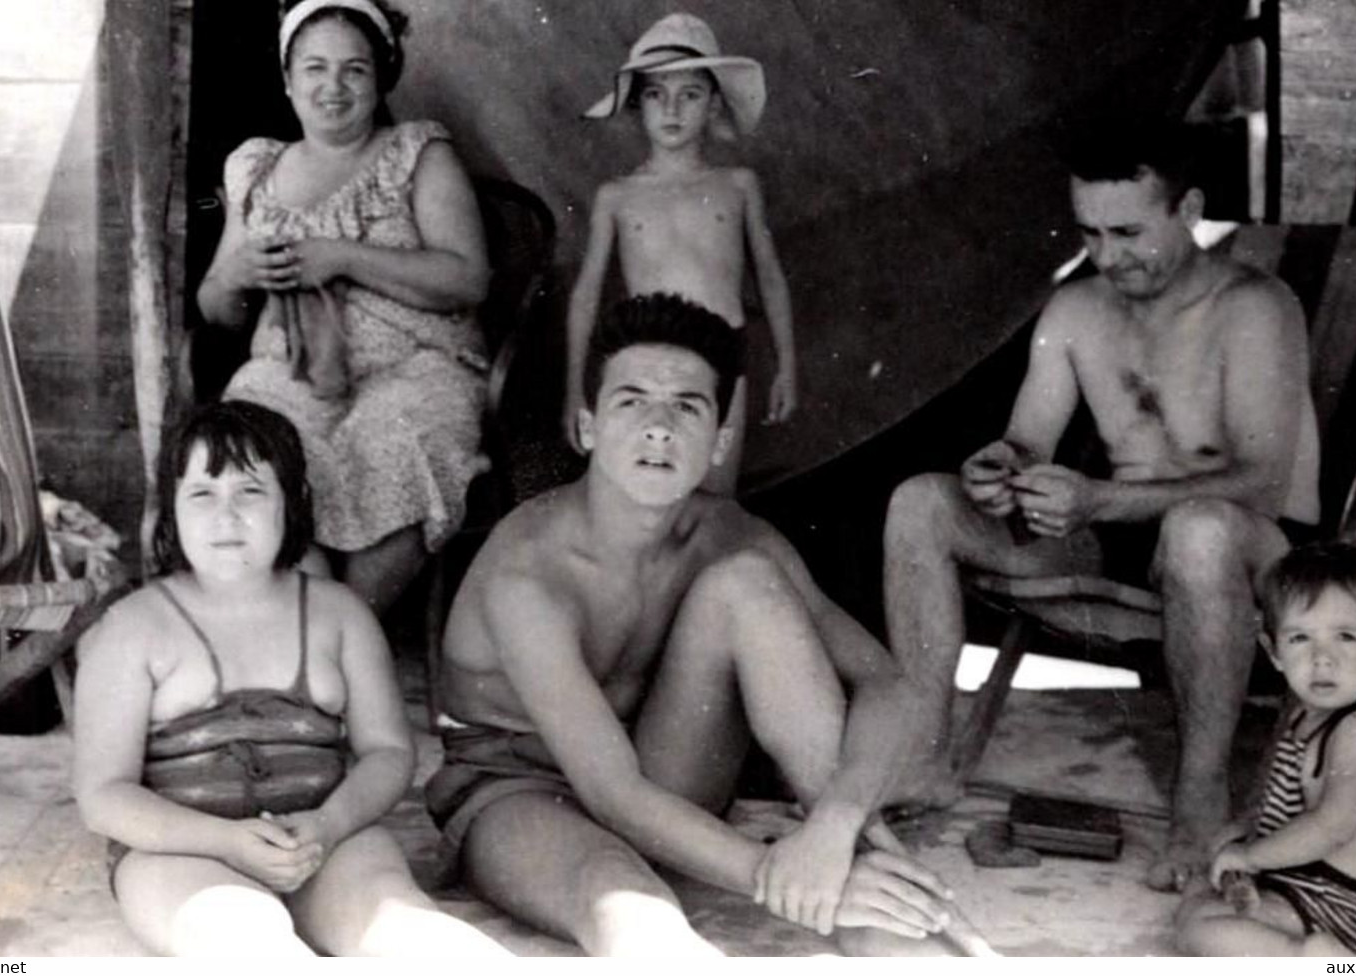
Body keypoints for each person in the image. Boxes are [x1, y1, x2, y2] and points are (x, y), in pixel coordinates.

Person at [432, 294, 977, 957]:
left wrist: (834, 826)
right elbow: (610, 791)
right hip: (519, 791)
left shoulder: (725, 532)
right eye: (631, 401)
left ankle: (857, 870)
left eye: (686, 407)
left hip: (659, 768)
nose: (658, 428)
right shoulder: (529, 573)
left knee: (745, 584)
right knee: (625, 902)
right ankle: (829, 888)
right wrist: (777, 877)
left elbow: (885, 682)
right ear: (586, 427)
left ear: (719, 440)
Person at [883, 119, 1321, 891]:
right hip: (1114, 527)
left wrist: (1099, 499)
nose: (1107, 255)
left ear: (1187, 210)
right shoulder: (1076, 309)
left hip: (1248, 538)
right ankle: (924, 757)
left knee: (1198, 531)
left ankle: (1197, 796)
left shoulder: (1255, 305)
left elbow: (1260, 479)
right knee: (920, 502)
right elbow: (1027, 438)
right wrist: (999, 470)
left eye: (1126, 231)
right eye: (1089, 232)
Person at [71, 401, 508, 957]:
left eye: (250, 492)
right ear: (172, 511)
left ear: (293, 503)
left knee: (414, 936)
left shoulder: (338, 615)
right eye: (201, 494)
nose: (225, 517)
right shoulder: (133, 627)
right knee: (242, 939)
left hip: (325, 839)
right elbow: (102, 796)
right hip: (179, 850)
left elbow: (389, 751)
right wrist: (226, 841)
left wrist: (328, 825)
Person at [197, 0, 490, 616]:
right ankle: (300, 637)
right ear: (287, 77)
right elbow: (218, 310)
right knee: (251, 451)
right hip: (290, 368)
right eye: (315, 68)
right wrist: (235, 274)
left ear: (380, 78)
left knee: (392, 444)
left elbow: (468, 280)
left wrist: (343, 256)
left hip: (418, 365)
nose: (333, 87)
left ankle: (339, 641)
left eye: (354, 70)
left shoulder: (418, 153)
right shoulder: (256, 166)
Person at [564, 12, 797, 495]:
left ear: (713, 104)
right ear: (637, 105)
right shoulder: (617, 195)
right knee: (643, 495)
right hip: (643, 361)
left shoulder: (736, 185)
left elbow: (771, 277)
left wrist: (787, 366)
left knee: (712, 495)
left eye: (689, 94)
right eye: (655, 94)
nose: (671, 110)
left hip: (722, 357)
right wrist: (573, 389)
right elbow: (586, 296)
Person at [1176, 541, 1356, 956]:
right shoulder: (1306, 714)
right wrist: (1242, 835)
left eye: (1346, 637)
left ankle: (1311, 959)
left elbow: (1330, 827)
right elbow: (1283, 803)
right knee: (1202, 886)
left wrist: (1251, 858)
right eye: (1301, 637)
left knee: (1198, 931)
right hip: (1305, 884)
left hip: (1345, 906)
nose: (1322, 658)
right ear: (1274, 652)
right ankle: (1288, 939)